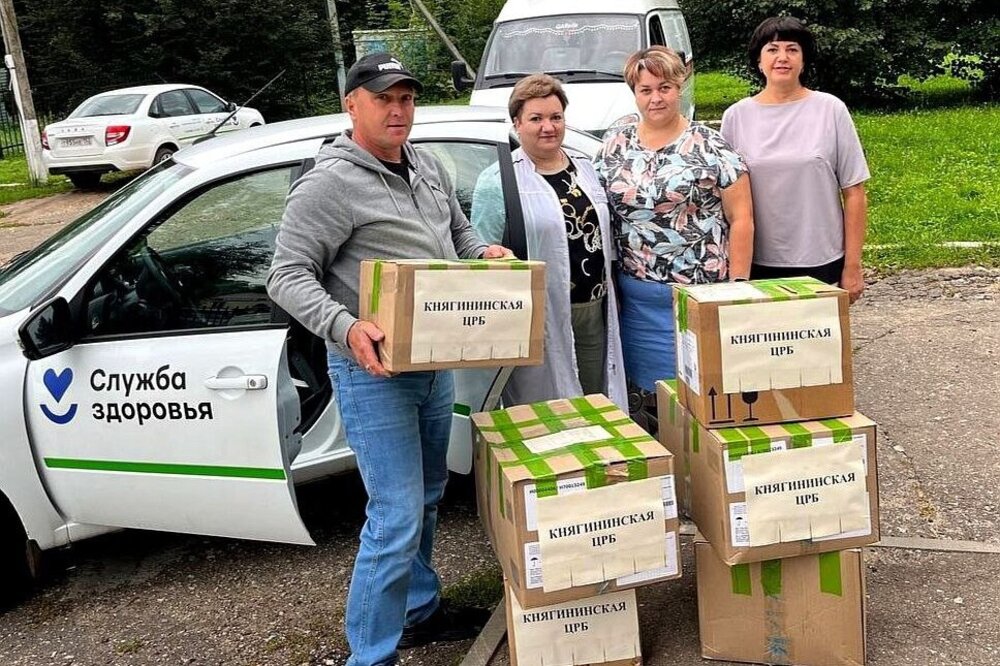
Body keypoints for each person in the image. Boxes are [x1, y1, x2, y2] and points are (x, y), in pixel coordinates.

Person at [267, 53, 508, 666]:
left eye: (406, 98)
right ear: (353, 104)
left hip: (432, 361)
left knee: (427, 493)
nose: (398, 109)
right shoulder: (329, 184)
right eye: (384, 99)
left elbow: (456, 234)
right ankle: (369, 655)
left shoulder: (426, 165)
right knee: (396, 515)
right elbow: (286, 276)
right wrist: (346, 328)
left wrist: (483, 255)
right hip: (373, 371)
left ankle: (420, 612)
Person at [594, 46, 754, 398]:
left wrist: (738, 286)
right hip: (637, 303)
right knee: (645, 397)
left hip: (702, 296)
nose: (656, 98)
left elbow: (741, 219)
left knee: (701, 395)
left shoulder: (711, 145)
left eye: (664, 88)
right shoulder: (613, 144)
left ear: (679, 87)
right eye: (645, 90)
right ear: (634, 93)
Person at [471, 74, 627, 409]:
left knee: (594, 399)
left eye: (556, 117)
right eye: (536, 118)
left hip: (593, 310)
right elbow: (479, 255)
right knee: (545, 406)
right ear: (517, 123)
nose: (548, 127)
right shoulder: (498, 180)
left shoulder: (585, 167)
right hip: (538, 317)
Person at [721, 16, 870, 302]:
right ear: (758, 61)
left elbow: (854, 193)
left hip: (821, 260)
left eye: (792, 49)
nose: (782, 58)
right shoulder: (736, 117)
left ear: (804, 60)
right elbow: (725, 199)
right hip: (757, 262)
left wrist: (852, 265)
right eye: (772, 49)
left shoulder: (830, 110)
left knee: (821, 346)